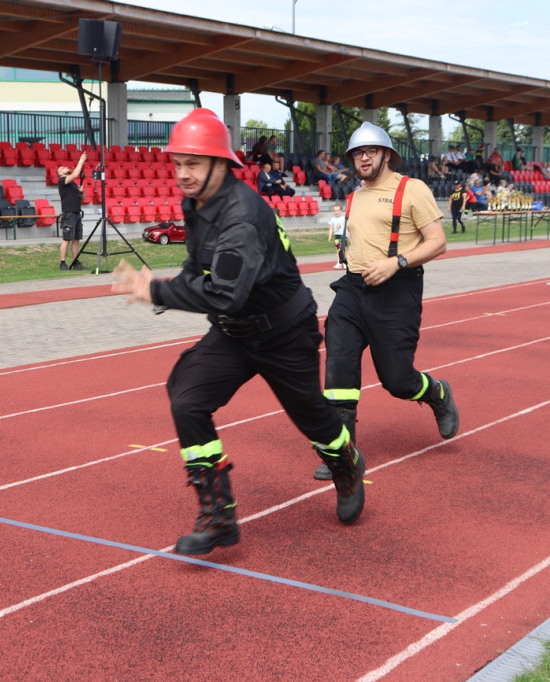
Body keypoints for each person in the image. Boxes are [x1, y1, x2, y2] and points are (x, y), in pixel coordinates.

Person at [111, 108, 364, 555]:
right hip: (235, 331)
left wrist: (157, 292)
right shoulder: (197, 203)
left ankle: (345, 462)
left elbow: (223, 293)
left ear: (221, 164)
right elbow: (197, 271)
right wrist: (163, 289)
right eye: (178, 164)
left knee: (312, 418)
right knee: (186, 397)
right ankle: (219, 516)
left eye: (193, 164)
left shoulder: (242, 217)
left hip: (285, 332)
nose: (183, 174)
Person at [313, 122, 459, 481]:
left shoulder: (412, 189)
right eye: (357, 153)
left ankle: (437, 393)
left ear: (386, 154)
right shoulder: (354, 194)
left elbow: (438, 242)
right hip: (351, 289)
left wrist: (397, 262)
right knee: (338, 367)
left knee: (397, 380)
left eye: (370, 151)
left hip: (396, 291)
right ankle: (342, 453)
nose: (362, 158)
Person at [57, 152, 88, 271]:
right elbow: (75, 173)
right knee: (66, 239)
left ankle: (76, 262)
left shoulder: (73, 184)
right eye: (62, 168)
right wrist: (81, 160)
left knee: (76, 239)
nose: (65, 168)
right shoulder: (62, 181)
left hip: (76, 213)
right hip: (68, 213)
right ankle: (62, 263)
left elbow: (83, 198)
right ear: (60, 174)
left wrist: (81, 192)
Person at [327, 202, 347, 268]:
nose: (336, 212)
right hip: (337, 236)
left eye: (338, 210)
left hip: (343, 235)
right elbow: (331, 229)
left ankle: (345, 263)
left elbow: (348, 226)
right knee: (338, 250)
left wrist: (349, 235)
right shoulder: (332, 220)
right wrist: (329, 236)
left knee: (344, 249)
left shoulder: (344, 218)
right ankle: (339, 262)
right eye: (335, 211)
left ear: (341, 211)